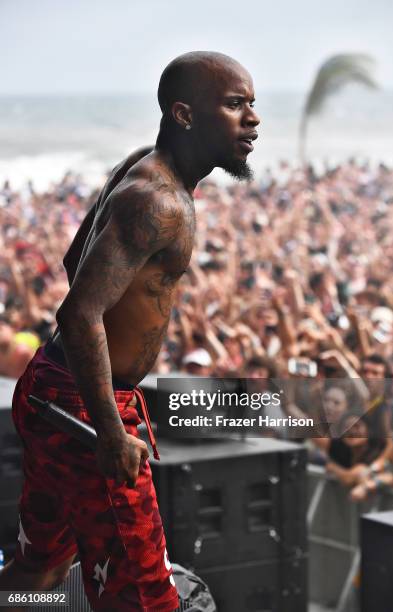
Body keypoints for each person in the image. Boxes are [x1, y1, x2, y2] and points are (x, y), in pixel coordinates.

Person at [0, 51, 260, 611]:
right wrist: (110, 431)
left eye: (253, 105)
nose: (253, 120)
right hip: (84, 412)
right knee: (143, 598)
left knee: (39, 568)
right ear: (185, 114)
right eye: (236, 104)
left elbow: (76, 261)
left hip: (54, 393)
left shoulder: (145, 167)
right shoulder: (157, 199)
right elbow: (78, 312)